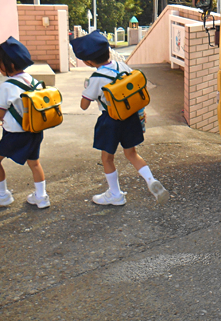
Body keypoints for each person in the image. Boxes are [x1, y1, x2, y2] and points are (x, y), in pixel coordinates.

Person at [71, 30, 169, 206]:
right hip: (131, 117)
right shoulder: (121, 66)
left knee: (107, 158)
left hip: (110, 121)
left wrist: (88, 88)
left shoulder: (96, 78)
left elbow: (83, 105)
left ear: (88, 62)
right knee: (132, 154)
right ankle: (151, 180)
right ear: (108, 52)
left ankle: (115, 194)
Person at [0, 37, 50, 208]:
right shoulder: (34, 82)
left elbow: (0, 113)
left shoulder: (6, 86)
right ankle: (41, 197)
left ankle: (3, 196)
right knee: (34, 163)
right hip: (35, 131)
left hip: (15, 134)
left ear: (10, 65)